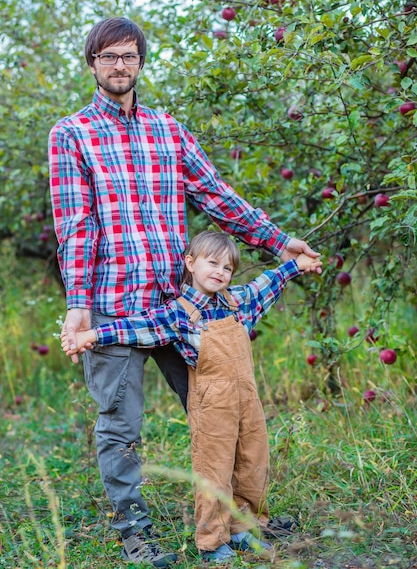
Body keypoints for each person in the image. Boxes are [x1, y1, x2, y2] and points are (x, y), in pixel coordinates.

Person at [48, 16, 321, 567]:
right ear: (92, 64)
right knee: (120, 427)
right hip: (113, 305)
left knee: (222, 415)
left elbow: (217, 196)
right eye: (108, 57)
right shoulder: (71, 134)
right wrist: (79, 305)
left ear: (141, 62)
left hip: (181, 307)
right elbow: (75, 225)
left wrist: (280, 242)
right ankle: (134, 530)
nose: (119, 65)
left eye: (128, 55)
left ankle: (237, 517)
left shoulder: (168, 130)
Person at [62, 230, 322, 564]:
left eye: (227, 268)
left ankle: (243, 527)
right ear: (190, 264)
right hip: (212, 406)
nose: (220, 273)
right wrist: (93, 334)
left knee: (251, 462)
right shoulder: (179, 314)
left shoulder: (237, 301)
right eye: (212, 263)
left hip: (247, 401)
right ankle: (212, 542)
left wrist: (295, 265)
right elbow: (138, 326)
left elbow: (267, 284)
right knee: (214, 470)